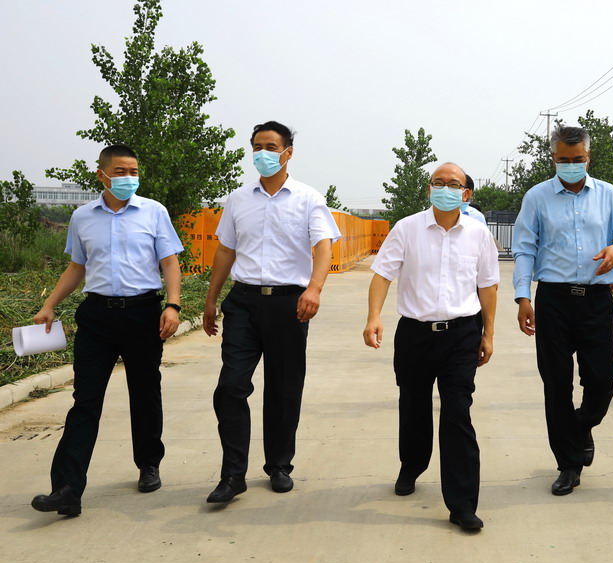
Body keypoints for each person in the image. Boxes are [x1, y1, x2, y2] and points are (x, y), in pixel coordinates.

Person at [30, 144, 183, 516]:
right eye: (120, 171)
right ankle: (67, 488)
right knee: (85, 401)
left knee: (144, 392)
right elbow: (76, 267)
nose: (128, 177)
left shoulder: (154, 212)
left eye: (133, 171)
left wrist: (173, 305)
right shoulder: (83, 216)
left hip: (142, 314)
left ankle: (148, 463)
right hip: (97, 316)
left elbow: (169, 261)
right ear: (101, 175)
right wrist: (49, 305)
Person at [202, 121, 341, 503]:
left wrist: (314, 289)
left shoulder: (308, 198)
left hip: (289, 304)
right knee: (231, 386)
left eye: (271, 147)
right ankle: (233, 474)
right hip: (243, 302)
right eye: (257, 147)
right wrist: (212, 299)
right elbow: (226, 250)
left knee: (283, 388)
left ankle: (279, 465)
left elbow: (324, 246)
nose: (263, 153)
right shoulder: (238, 199)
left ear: (287, 153)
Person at [363, 162, 499, 530]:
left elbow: (488, 285)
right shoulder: (407, 228)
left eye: (453, 184)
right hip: (415, 333)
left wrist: (488, 333)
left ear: (465, 193)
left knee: (458, 412)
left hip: (462, 333)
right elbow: (382, 275)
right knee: (413, 404)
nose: (445, 188)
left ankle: (462, 504)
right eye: (438, 182)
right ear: (429, 189)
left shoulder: (478, 234)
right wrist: (374, 316)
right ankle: (412, 465)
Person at [512, 125, 613, 496]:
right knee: (556, 383)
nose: (570, 165)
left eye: (577, 159)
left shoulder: (609, 195)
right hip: (554, 300)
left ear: (588, 157)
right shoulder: (537, 197)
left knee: (602, 379)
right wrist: (523, 296)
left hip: (596, 300)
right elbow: (525, 248)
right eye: (563, 160)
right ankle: (567, 463)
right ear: (553, 158)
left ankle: (581, 426)